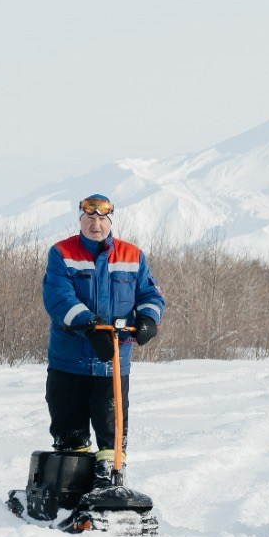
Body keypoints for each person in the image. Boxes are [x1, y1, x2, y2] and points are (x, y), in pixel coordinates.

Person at [42, 193, 166, 488]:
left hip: (113, 365)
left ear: (110, 221)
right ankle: (68, 493)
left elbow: (151, 295)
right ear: (81, 219)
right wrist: (90, 326)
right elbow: (59, 299)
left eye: (101, 219)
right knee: (70, 434)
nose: (95, 224)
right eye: (89, 218)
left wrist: (148, 319)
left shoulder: (133, 256)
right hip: (68, 363)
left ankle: (109, 488)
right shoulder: (62, 253)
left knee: (112, 438)